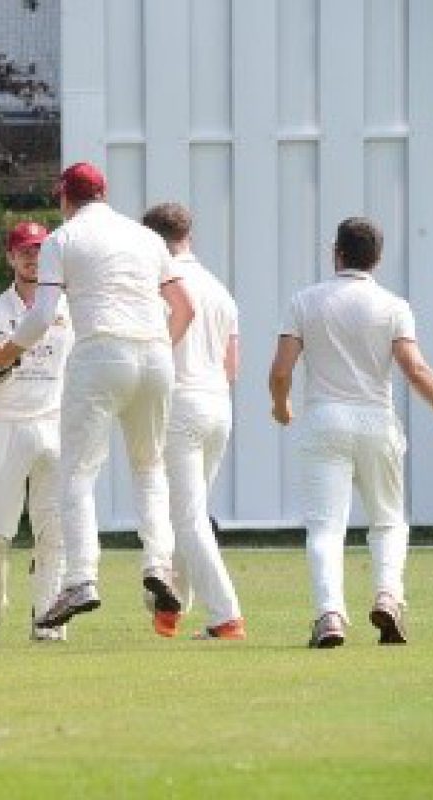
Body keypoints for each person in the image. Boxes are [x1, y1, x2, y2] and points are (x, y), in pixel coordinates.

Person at [0, 162, 195, 636]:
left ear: (65, 198)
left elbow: (42, 317)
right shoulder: (146, 237)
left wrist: (7, 350)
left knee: (77, 474)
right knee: (149, 469)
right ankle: (158, 566)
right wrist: (156, 347)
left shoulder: (63, 239)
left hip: (100, 352)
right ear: (104, 194)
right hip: (156, 357)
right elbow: (185, 309)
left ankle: (81, 578)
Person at [269, 216, 433, 648]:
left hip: (325, 421)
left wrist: (281, 406)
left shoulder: (305, 302)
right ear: (378, 258)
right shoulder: (393, 305)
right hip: (376, 421)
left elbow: (280, 371)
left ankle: (329, 615)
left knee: (326, 528)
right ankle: (388, 596)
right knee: (387, 522)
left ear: (337, 252)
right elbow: (416, 371)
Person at [141, 203, 245, 640]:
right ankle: (170, 615)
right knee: (191, 511)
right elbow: (232, 365)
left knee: (186, 518)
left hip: (179, 404)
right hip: (218, 405)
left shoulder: (159, 286)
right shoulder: (219, 289)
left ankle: (226, 617)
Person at [0, 221, 73, 644]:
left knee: (55, 529)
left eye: (40, 251)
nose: (33, 259)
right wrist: (1, 358)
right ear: (11, 258)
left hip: (56, 424)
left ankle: (49, 618)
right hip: (9, 426)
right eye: (24, 252)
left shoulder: (66, 308)